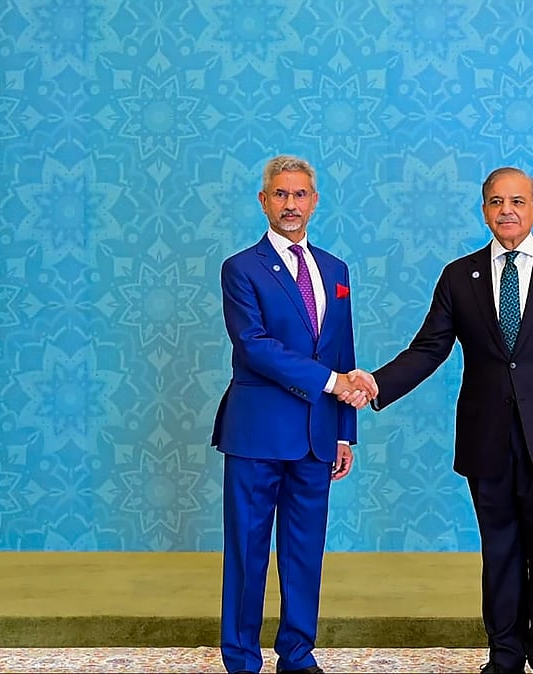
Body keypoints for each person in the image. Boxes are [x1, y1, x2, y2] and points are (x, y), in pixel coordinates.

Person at [360, 167, 533, 674]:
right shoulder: (460, 276)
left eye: (518, 201)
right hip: (487, 436)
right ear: (484, 211)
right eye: (497, 202)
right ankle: (504, 654)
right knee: (499, 550)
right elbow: (428, 348)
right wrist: (375, 384)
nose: (507, 211)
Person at [211, 154, 378, 674]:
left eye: (299, 194)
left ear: (314, 201)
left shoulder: (335, 269)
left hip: (317, 435)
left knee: (305, 552)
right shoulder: (241, 268)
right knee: (247, 552)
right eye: (280, 194)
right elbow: (254, 345)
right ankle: (242, 660)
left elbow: (342, 349)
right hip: (256, 434)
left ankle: (298, 655)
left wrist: (345, 432)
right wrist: (331, 383)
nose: (290, 204)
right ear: (264, 201)